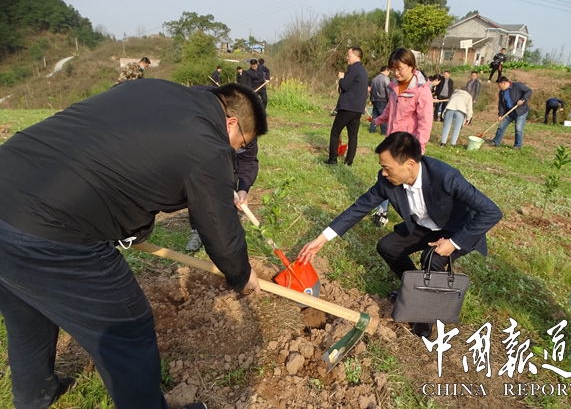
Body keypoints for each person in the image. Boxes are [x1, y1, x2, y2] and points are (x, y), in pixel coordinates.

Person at [0, 80, 268, 409]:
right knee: (129, 329)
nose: (236, 153)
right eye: (240, 144)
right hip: (51, 229)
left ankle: (34, 395)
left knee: (27, 314)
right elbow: (221, 232)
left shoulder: (155, 90)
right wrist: (241, 275)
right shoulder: (208, 146)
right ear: (231, 122)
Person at [297, 132, 502, 339]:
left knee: (432, 258)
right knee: (388, 246)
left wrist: (454, 242)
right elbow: (359, 207)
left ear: (409, 164)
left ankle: (426, 317)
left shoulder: (445, 176)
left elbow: (491, 212)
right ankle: (414, 291)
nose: (383, 173)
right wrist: (321, 239)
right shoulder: (387, 181)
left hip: (459, 229)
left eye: (387, 168)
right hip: (424, 226)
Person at [371, 47, 433, 227]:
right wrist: (379, 120)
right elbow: (390, 109)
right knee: (386, 176)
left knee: (406, 182)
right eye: (393, 69)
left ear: (412, 66)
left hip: (407, 144)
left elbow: (425, 122)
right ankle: (382, 211)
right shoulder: (393, 86)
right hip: (392, 140)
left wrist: (419, 147)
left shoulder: (421, 90)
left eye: (400, 68)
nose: (396, 73)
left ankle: (417, 216)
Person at [187, 136, 260, 252]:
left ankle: (227, 235)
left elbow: (248, 160)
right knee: (198, 196)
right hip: (201, 162)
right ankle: (198, 231)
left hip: (230, 166)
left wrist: (243, 189)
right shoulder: (205, 129)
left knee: (228, 200)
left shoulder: (248, 132)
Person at [324, 46, 368, 166]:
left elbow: (345, 85)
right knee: (352, 136)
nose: (347, 58)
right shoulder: (363, 71)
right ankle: (349, 161)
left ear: (356, 56)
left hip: (348, 107)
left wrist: (341, 78)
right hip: (358, 108)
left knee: (335, 132)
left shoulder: (353, 69)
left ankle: (333, 159)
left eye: (349, 56)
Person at [491, 76, 532, 149]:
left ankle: (517, 145)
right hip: (509, 112)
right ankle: (495, 141)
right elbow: (501, 104)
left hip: (520, 111)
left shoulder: (517, 86)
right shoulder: (501, 92)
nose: (499, 87)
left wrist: (522, 99)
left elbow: (529, 91)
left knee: (518, 129)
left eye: (499, 85)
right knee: (501, 126)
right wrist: (500, 114)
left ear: (503, 83)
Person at [369, 66, 390, 135]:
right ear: (386, 71)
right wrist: (389, 99)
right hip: (382, 99)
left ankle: (372, 129)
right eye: (389, 72)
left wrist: (371, 99)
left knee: (375, 115)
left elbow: (371, 90)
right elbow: (388, 90)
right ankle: (384, 131)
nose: (389, 74)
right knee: (383, 115)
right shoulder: (386, 79)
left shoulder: (374, 79)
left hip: (374, 99)